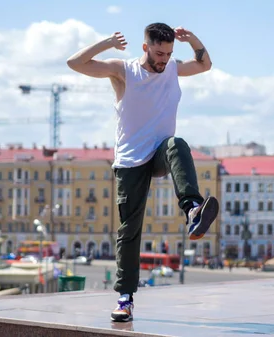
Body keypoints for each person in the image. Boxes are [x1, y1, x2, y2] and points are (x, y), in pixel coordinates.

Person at [67, 22, 219, 322]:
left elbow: (205, 64)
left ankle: (191, 209)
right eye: (159, 53)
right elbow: (75, 63)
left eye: (169, 53)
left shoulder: (173, 69)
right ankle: (125, 298)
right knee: (129, 229)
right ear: (145, 47)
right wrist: (107, 43)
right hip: (130, 160)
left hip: (159, 153)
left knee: (177, 144)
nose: (164, 60)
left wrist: (194, 40)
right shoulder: (123, 71)